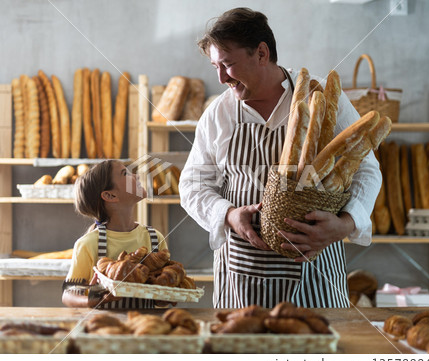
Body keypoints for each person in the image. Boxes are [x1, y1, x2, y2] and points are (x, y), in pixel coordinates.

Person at [179, 7, 382, 309]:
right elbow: (192, 186)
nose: (221, 78)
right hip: (243, 276)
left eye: (228, 64)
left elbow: (366, 168)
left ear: (261, 53)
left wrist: (346, 224)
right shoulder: (218, 114)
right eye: (215, 67)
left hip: (316, 273)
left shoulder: (321, 97)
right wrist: (229, 214)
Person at [62, 160, 169, 309]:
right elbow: (68, 295)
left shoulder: (154, 237)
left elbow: (164, 290)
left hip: (143, 328)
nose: (136, 176)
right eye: (125, 173)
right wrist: (92, 301)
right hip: (104, 328)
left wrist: (165, 296)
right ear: (110, 195)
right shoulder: (88, 244)